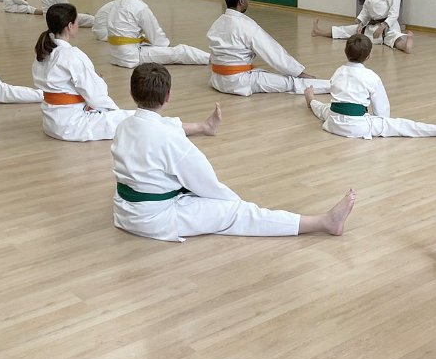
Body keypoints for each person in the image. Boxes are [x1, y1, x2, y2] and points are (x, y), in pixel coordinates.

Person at [112, 62, 357, 242]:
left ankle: (204, 127)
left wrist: (203, 127)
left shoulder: (123, 126)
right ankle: (324, 223)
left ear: (132, 94)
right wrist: (233, 202)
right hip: (157, 218)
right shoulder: (171, 141)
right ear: (168, 96)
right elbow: (206, 184)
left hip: (125, 211)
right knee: (238, 213)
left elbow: (159, 128)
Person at [305, 34, 436, 138]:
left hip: (334, 123)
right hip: (358, 127)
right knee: (404, 126)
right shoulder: (371, 77)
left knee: (324, 109)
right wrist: (377, 121)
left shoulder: (338, 72)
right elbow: (383, 113)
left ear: (345, 52)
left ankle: (311, 99)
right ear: (368, 56)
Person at [208, 0, 330, 97]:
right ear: (241, 1)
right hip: (239, 81)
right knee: (290, 82)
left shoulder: (216, 24)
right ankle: (332, 86)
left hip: (217, 80)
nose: (248, 2)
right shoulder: (247, 26)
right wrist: (298, 72)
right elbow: (273, 53)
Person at [32, 3, 132, 141]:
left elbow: (62, 87)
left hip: (51, 122)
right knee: (132, 119)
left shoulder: (43, 52)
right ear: (70, 26)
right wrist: (113, 111)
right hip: (72, 125)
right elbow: (96, 95)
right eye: (77, 21)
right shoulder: (71, 54)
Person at [105, 0, 209, 68]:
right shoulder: (140, 7)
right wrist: (167, 48)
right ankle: (212, 59)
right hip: (131, 56)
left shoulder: (116, 4)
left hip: (116, 55)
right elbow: (156, 35)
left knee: (146, 40)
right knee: (181, 51)